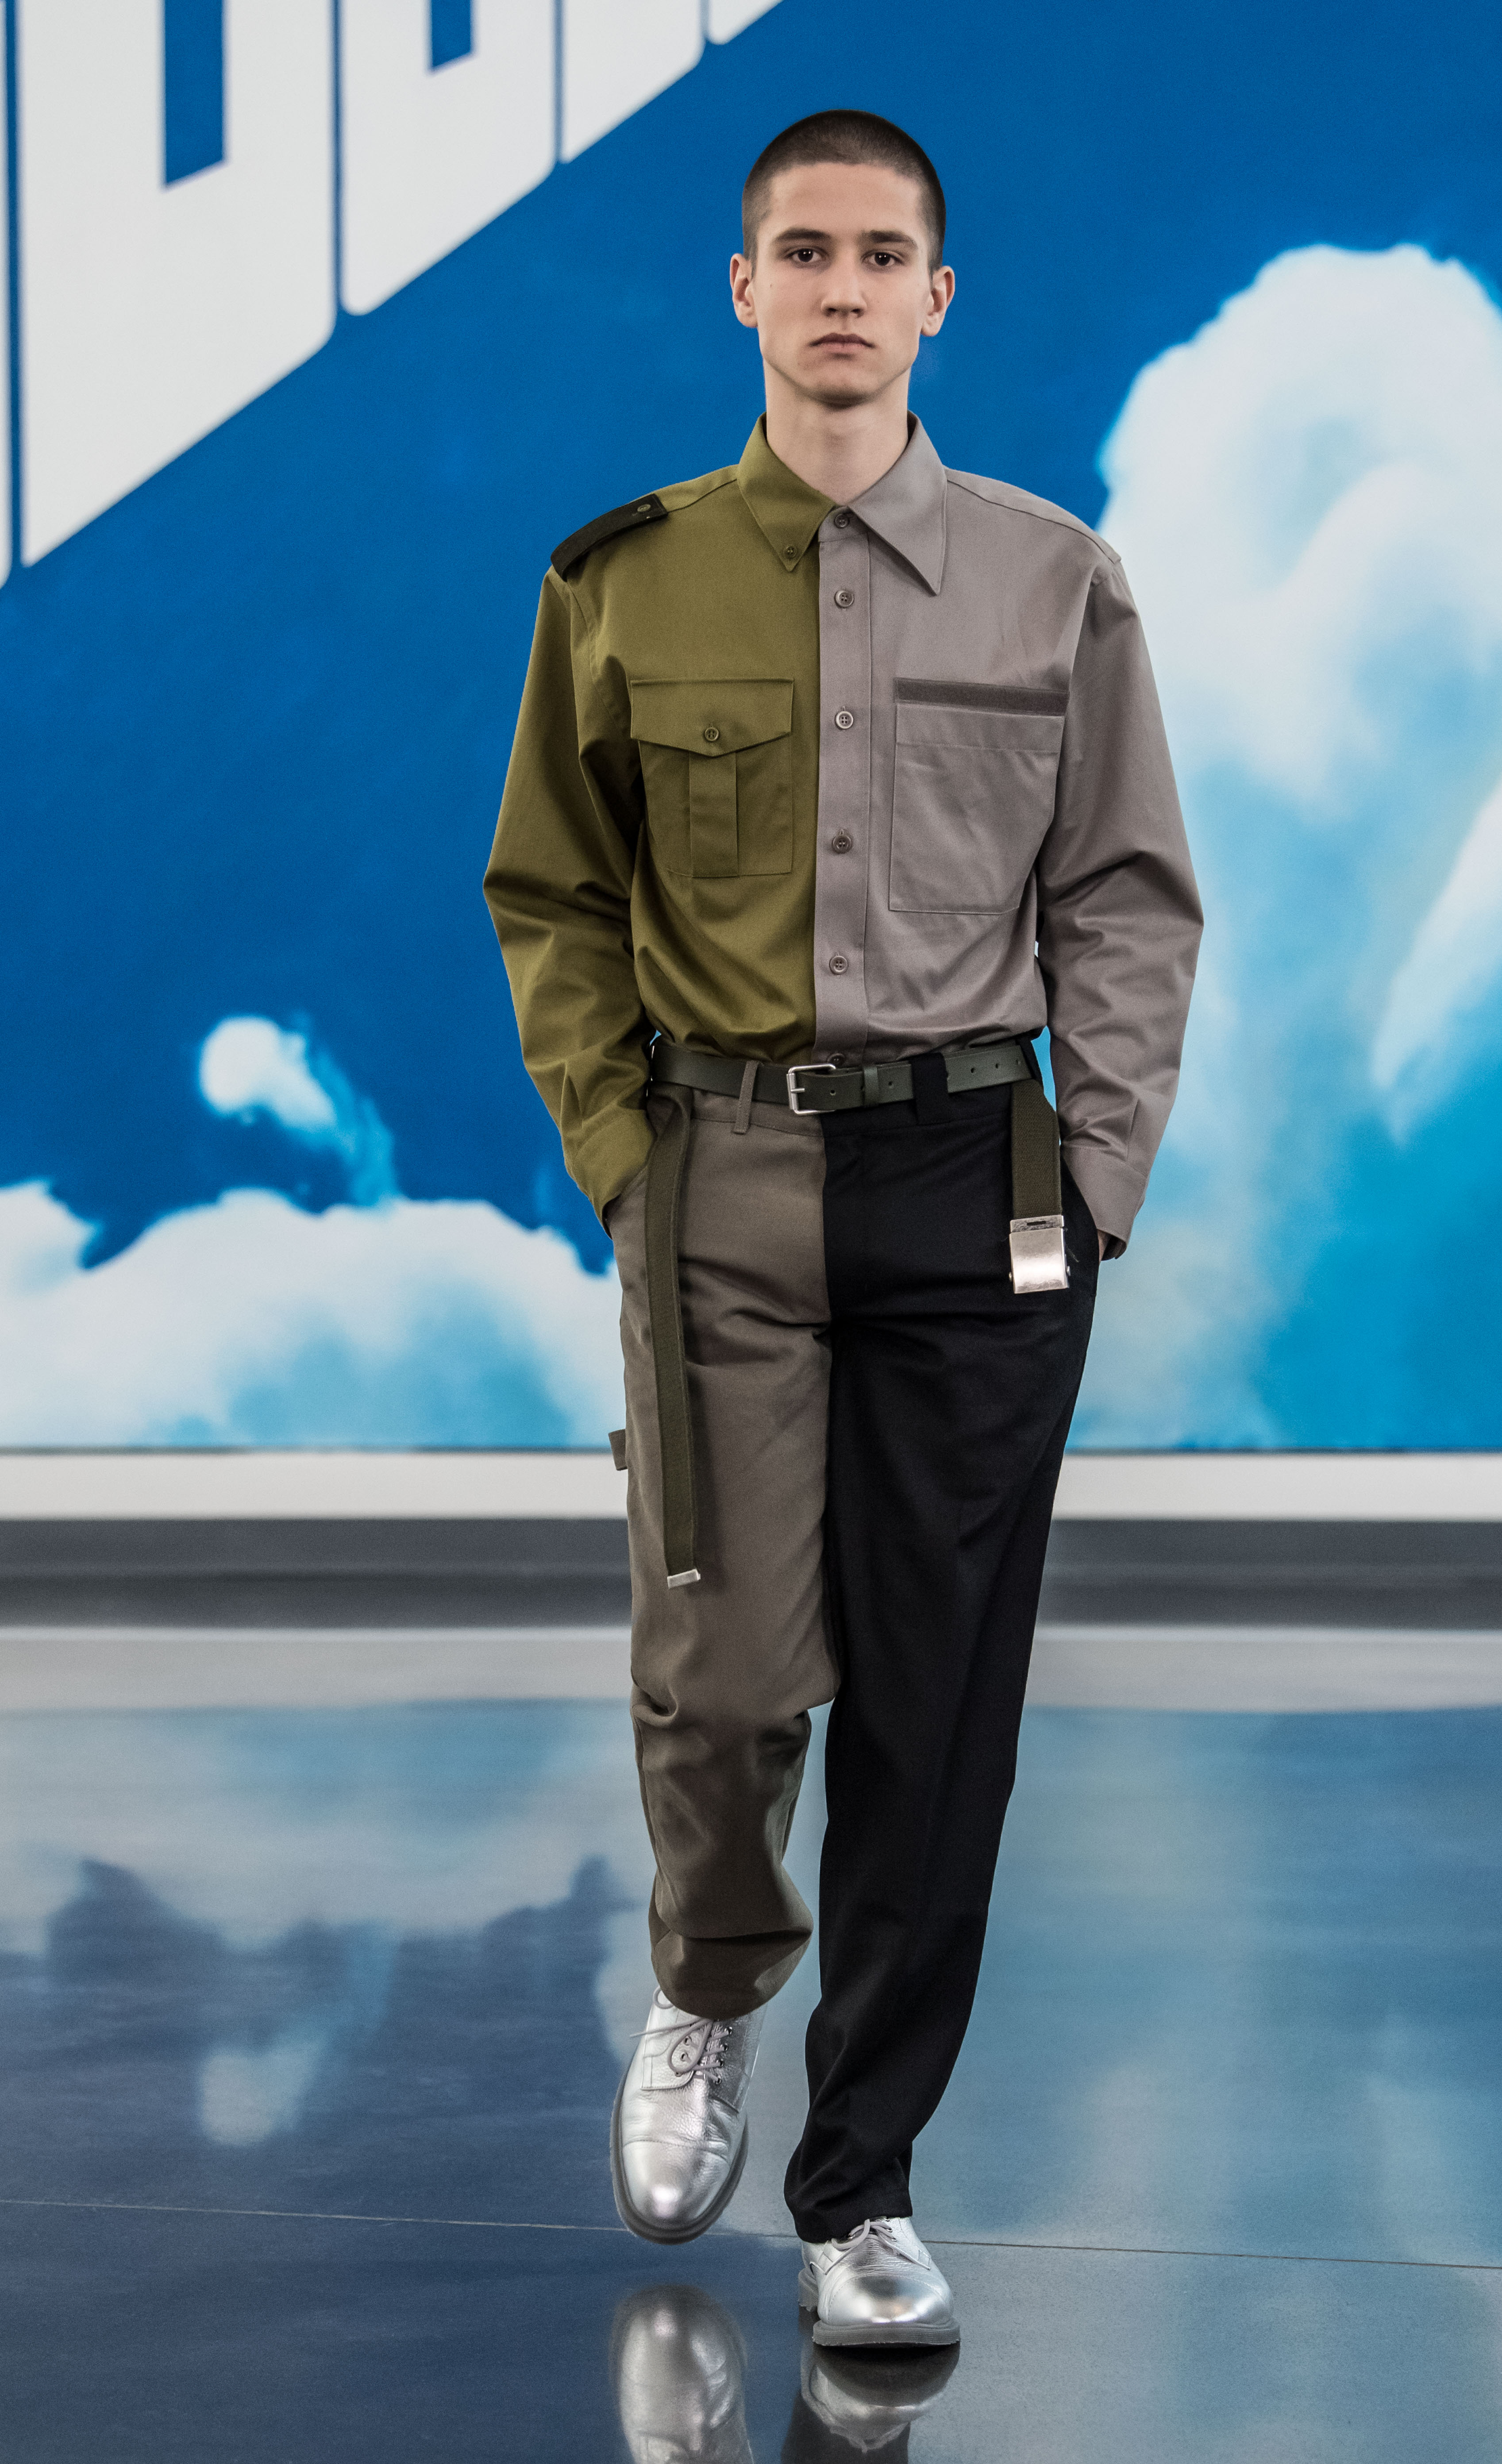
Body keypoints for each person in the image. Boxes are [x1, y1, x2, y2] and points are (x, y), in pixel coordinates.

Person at [484, 109, 1201, 2351]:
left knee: (936, 1707)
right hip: (719, 1172)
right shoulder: (620, 584)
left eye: (883, 256)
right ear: (743, 289)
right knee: (721, 1678)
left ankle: (860, 2188)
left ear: (937, 298)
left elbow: (1126, 896)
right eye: (802, 253)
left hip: (977, 1180)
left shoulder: (1055, 582)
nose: (842, 291)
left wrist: (1093, 1181)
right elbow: (552, 896)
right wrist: (625, 1155)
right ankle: (711, 1982)